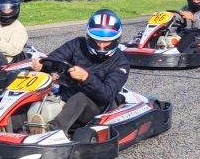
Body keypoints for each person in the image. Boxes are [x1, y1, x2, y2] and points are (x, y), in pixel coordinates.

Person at [29, 9, 130, 138]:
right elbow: (54, 59)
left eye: (106, 42)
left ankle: (52, 131)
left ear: (116, 40)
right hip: (65, 95)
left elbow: (107, 95)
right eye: (96, 40)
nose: (101, 46)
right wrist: (42, 64)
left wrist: (86, 77)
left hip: (94, 108)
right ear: (89, 37)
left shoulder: (121, 63)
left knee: (80, 97)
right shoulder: (77, 44)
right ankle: (8, 123)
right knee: (37, 85)